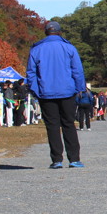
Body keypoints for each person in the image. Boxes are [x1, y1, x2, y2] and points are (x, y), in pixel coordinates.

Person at [26, 21, 86, 168]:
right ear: (59, 32)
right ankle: (74, 159)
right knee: (68, 124)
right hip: (67, 91)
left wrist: (36, 90)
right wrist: (79, 88)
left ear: (46, 32)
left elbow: (31, 73)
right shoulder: (69, 48)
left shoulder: (36, 49)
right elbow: (77, 71)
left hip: (46, 92)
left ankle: (56, 159)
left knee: (52, 126)